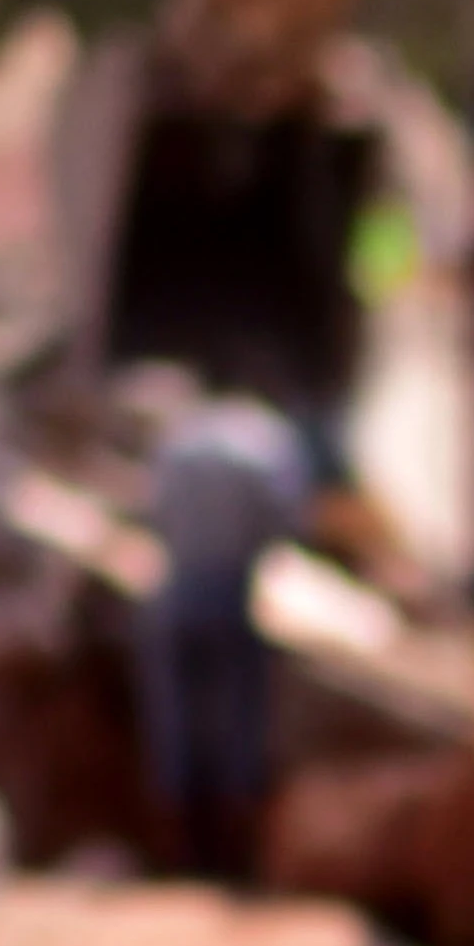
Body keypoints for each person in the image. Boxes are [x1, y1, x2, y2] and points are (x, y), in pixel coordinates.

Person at [124, 367, 321, 881]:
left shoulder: (179, 442)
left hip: (175, 598)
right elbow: (285, 523)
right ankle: (236, 856)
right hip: (233, 597)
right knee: (240, 722)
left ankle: (181, 853)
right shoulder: (266, 441)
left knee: (177, 723)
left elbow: (153, 515)